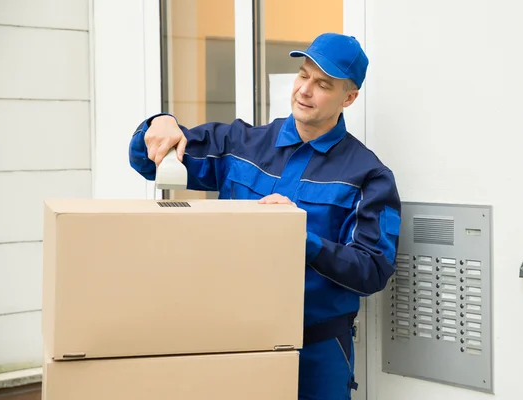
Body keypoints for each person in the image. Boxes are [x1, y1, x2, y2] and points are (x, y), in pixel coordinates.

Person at [129, 32, 401, 400]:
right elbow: (150, 161)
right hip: (231, 338)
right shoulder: (240, 143)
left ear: (348, 98)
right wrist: (159, 124)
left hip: (317, 349)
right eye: (303, 75)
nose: (305, 90)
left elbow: (372, 270)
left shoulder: (369, 176)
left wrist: (301, 239)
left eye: (323, 84)